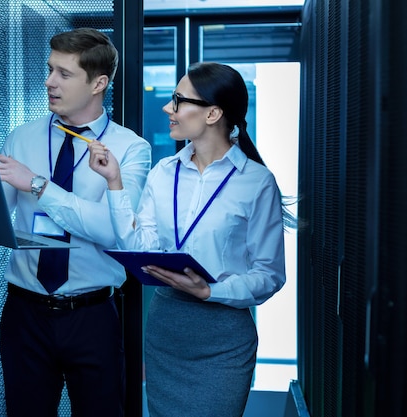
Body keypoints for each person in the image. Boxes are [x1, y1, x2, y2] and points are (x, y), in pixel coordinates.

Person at [0, 28, 151, 417]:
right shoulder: (22, 137)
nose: (49, 82)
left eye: (64, 74)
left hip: (92, 316)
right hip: (25, 314)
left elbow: (112, 230)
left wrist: (37, 185)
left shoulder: (130, 148)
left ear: (98, 83)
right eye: (49, 69)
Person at [88, 62, 293, 417]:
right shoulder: (163, 173)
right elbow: (140, 246)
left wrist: (210, 291)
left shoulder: (257, 182)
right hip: (166, 329)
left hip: (224, 340)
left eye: (179, 100)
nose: (169, 108)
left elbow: (270, 274)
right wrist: (114, 184)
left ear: (213, 113)